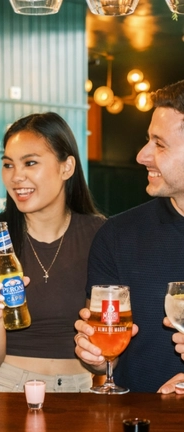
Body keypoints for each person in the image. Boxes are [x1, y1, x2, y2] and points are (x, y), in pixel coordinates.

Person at [0, 112, 105, 392]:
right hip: (3, 388)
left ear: (67, 167)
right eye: (8, 165)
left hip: (80, 391)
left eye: (30, 163)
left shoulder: (101, 236)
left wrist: (103, 356)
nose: (16, 177)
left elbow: (101, 360)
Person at [74, 79, 184, 394]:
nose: (141, 155)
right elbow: (107, 355)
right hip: (133, 430)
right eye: (147, 140)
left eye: (159, 144)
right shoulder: (116, 236)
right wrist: (97, 357)